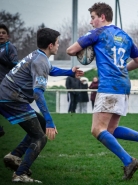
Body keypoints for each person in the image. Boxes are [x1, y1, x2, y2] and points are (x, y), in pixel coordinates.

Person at [66, 2, 138, 180]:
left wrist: (86, 46)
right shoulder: (124, 35)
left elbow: (70, 50)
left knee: (97, 129)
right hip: (124, 85)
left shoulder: (97, 32)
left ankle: (128, 161)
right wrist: (121, 69)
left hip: (109, 86)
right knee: (111, 130)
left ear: (102, 17)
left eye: (93, 18)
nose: (91, 22)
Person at [0, 28, 83, 183]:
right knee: (40, 136)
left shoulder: (38, 55)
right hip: (12, 99)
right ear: (51, 45)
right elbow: (38, 93)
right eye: (58, 43)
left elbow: (51, 69)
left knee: (41, 124)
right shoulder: (40, 61)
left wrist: (70, 72)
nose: (59, 46)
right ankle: (20, 174)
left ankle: (15, 155)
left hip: (6, 96)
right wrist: (50, 120)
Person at [0, 24, 19, 137]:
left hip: (4, 83)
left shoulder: (9, 47)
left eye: (3, 32)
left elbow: (15, 66)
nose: (0, 34)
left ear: (8, 36)